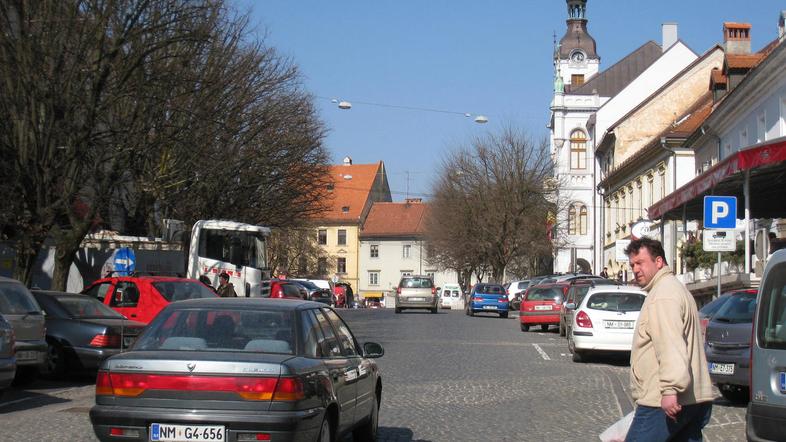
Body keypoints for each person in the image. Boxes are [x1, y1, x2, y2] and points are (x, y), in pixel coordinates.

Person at [623, 238, 714, 442]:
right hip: (691, 398)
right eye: (632, 265)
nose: (635, 269)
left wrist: (670, 389)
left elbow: (670, 344)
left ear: (658, 261)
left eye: (640, 263)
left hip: (663, 400)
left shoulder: (663, 295)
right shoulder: (673, 288)